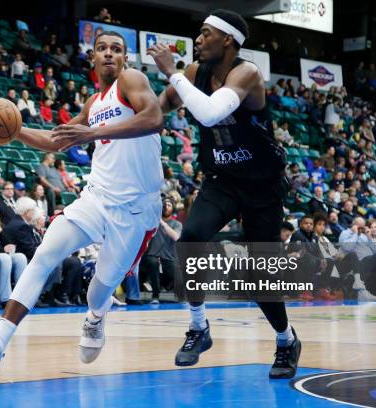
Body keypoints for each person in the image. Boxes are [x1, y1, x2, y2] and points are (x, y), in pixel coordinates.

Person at [0, 30, 164, 377]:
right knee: (44, 256)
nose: (110, 54)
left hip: (135, 210)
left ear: (125, 58)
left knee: (99, 291)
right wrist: (14, 131)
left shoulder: (132, 79)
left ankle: (96, 317)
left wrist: (95, 134)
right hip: (96, 197)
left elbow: (155, 118)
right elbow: (57, 142)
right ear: (93, 58)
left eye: (117, 49)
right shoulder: (93, 103)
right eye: (102, 49)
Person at [147, 9, 299, 378]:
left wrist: (171, 72)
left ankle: (286, 339)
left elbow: (212, 113)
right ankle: (198, 327)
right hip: (222, 179)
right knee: (191, 237)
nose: (197, 40)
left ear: (228, 39)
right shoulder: (194, 75)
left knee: (261, 279)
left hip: (262, 186)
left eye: (204, 34)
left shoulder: (247, 73)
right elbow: (160, 108)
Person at [139, 198, 181, 304]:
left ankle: (168, 288)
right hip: (152, 256)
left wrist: (162, 223)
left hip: (169, 258)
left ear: (173, 208)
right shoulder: (152, 222)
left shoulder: (177, 224)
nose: (166, 206)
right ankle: (155, 296)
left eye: (169, 205)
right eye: (164, 204)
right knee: (153, 262)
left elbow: (176, 237)